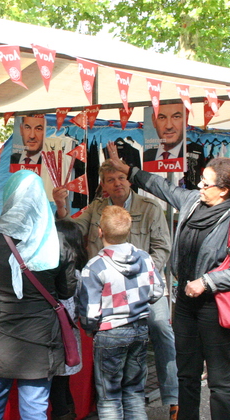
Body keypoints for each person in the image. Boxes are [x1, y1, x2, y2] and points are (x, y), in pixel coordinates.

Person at [107, 147, 230, 420]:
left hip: (217, 308)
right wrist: (129, 171)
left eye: (205, 183)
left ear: (223, 190)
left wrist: (207, 281)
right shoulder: (192, 202)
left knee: (219, 379)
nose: (199, 186)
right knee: (186, 374)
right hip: (187, 305)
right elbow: (160, 186)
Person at [54, 158, 179, 419]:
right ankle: (99, 395)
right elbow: (73, 230)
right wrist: (61, 207)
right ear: (104, 186)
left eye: (121, 178)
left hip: (144, 285)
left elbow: (162, 249)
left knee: (161, 329)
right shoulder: (96, 208)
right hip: (106, 289)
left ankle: (172, 397)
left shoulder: (150, 207)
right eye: (111, 180)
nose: (117, 183)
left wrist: (139, 277)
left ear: (128, 180)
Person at [0, 170, 77, 420]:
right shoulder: (56, 242)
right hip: (40, 342)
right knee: (35, 410)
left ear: (9, 197)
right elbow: (67, 290)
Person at [77, 205, 164, 420]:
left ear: (100, 231)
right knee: (134, 392)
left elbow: (89, 313)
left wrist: (91, 329)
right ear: (129, 230)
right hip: (140, 329)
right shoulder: (145, 258)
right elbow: (157, 292)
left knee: (109, 397)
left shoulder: (94, 267)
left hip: (109, 333)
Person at [49, 220, 88, 420]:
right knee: (62, 384)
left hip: (55, 338)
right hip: (69, 336)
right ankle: (68, 413)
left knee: (57, 385)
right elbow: (83, 307)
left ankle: (65, 414)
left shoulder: (50, 273)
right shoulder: (80, 274)